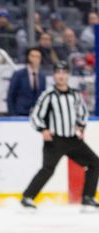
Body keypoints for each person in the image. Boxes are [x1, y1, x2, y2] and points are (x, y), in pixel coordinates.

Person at [22, 62, 99, 211]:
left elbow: (82, 113)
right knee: (48, 169)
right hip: (55, 140)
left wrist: (81, 126)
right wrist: (43, 129)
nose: (61, 76)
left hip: (72, 139)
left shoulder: (75, 94)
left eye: (64, 72)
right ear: (54, 76)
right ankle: (27, 197)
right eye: (58, 72)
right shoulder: (48, 95)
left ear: (68, 75)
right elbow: (35, 115)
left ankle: (87, 198)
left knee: (95, 163)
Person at [7, 48, 45, 117]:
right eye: (33, 56)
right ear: (28, 57)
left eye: (38, 57)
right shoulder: (19, 74)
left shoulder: (42, 77)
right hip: (20, 114)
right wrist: (12, 115)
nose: (35, 59)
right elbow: (11, 96)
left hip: (36, 115)